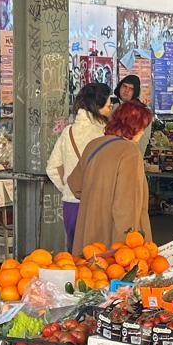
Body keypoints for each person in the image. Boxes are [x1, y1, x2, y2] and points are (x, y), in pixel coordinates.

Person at [65, 101, 153, 251]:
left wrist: (97, 201)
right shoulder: (130, 152)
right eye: (142, 127)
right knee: (107, 266)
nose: (143, 133)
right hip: (114, 239)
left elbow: (75, 185)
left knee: (87, 264)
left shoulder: (94, 145)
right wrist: (127, 248)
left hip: (88, 230)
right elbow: (126, 206)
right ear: (133, 127)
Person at [46, 82, 112, 250]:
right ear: (97, 107)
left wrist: (69, 187)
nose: (110, 111)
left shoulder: (68, 132)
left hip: (72, 204)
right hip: (100, 205)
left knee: (75, 256)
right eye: (108, 106)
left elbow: (52, 168)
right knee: (99, 256)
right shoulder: (106, 134)